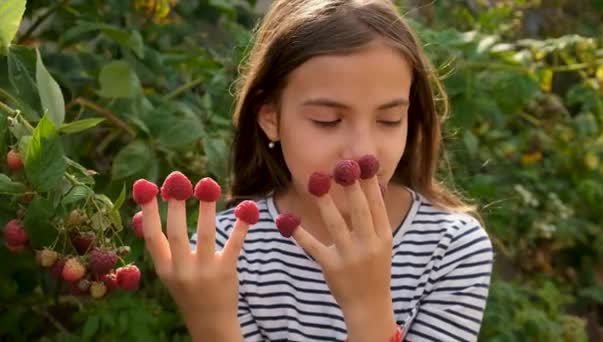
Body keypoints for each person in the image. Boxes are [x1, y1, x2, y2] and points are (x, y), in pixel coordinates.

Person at [137, 0, 494, 341]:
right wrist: (211, 322)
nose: (362, 152)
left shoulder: (452, 247)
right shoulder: (225, 252)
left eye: (389, 120)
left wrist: (368, 307)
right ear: (271, 119)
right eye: (327, 121)